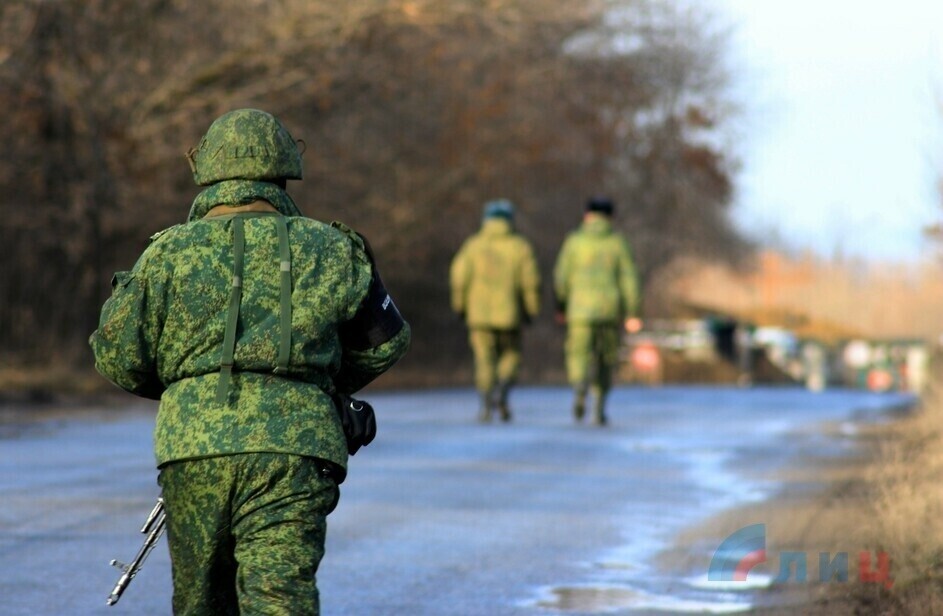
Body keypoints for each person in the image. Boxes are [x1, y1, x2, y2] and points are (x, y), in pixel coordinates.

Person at [90, 108, 410, 615]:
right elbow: (385, 342)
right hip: (296, 448)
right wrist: (323, 385)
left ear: (207, 171)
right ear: (284, 171)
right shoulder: (332, 249)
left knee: (201, 603)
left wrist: (186, 387)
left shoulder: (166, 253)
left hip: (193, 448)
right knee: (281, 599)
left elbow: (118, 356)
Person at [449, 199, 541, 422]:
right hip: (510, 315)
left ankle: (486, 404)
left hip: (479, 316)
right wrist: (531, 310)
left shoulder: (473, 246)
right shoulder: (520, 246)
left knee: (484, 359)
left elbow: (459, 279)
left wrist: (460, 307)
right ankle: (503, 389)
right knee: (511, 355)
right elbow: (531, 283)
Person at [554, 196, 640, 426]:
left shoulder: (574, 242)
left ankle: (579, 385)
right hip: (609, 311)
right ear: (611, 217)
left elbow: (561, 278)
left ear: (587, 215)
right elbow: (629, 279)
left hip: (579, 311)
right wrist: (632, 312)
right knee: (606, 359)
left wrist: (561, 305)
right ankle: (599, 406)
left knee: (578, 353)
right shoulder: (617, 243)